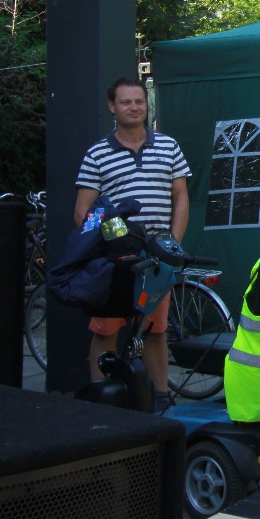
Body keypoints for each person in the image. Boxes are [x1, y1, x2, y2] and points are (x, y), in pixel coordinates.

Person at [74, 77, 191, 414]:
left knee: (155, 330)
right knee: (106, 330)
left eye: (139, 101)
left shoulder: (169, 146)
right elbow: (82, 211)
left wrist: (172, 246)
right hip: (115, 260)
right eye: (125, 102)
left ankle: (160, 399)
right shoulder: (97, 153)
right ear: (112, 107)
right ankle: (102, 399)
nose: (134, 107)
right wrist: (107, 245)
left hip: (157, 259)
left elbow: (181, 198)